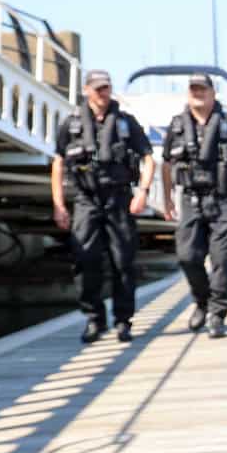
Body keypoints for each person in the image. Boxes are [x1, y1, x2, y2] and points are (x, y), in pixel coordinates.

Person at [52, 69, 155, 343]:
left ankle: (123, 320)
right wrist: (58, 204)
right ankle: (94, 319)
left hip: (119, 198)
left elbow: (149, 157)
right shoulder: (71, 124)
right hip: (86, 199)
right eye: (97, 88)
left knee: (123, 261)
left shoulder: (125, 122)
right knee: (86, 260)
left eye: (106, 88)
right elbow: (59, 162)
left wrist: (143, 192)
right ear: (86, 90)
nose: (102, 93)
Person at [160, 73, 227, 339]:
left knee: (223, 258)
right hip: (191, 199)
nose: (197, 93)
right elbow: (167, 163)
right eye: (193, 89)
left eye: (202, 89)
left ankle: (217, 314)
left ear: (213, 93)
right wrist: (168, 197)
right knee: (187, 257)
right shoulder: (177, 126)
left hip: (223, 199)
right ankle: (201, 301)